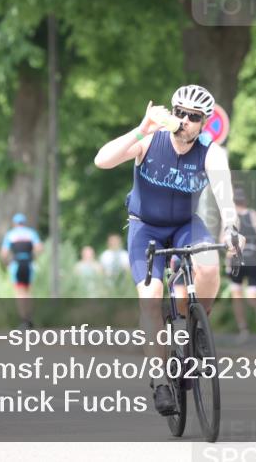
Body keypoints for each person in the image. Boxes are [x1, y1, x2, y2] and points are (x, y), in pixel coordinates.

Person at [93, 84, 241, 417]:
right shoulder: (150, 140)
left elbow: (224, 194)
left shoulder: (210, 152)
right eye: (180, 113)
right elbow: (102, 160)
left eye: (193, 117)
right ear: (172, 113)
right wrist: (141, 127)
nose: (184, 120)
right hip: (145, 226)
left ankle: (198, 328)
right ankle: (160, 381)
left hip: (185, 224)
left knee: (209, 265)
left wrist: (232, 227)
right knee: (151, 297)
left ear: (203, 123)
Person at [228, 188, 256, 343]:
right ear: (245, 201)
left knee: (237, 294)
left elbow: (223, 240)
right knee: (252, 292)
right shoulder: (254, 215)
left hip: (236, 258)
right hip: (252, 258)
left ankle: (243, 329)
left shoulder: (229, 217)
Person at [1, 213, 43, 327]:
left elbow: (4, 253)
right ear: (24, 223)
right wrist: (33, 257)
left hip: (17, 264)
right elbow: (39, 248)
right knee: (28, 291)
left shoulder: (10, 234)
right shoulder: (31, 233)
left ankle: (23, 319)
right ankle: (30, 318)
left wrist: (7, 263)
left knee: (19, 292)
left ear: (14, 223)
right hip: (28, 263)